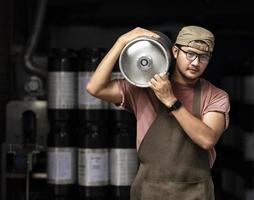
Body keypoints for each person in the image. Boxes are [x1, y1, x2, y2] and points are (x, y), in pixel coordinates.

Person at [86, 26, 230, 200]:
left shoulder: (215, 96)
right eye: (190, 54)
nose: (195, 63)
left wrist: (171, 100)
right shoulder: (143, 87)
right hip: (148, 190)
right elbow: (95, 87)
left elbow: (207, 139)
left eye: (203, 57)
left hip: (196, 192)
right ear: (175, 51)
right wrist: (121, 42)